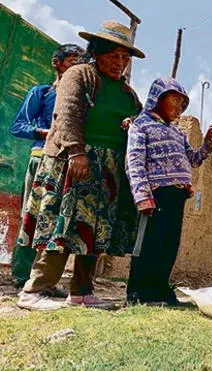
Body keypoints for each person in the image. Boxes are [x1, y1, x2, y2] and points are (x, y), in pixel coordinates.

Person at [16, 21, 145, 311]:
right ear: (96, 53)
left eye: (125, 58)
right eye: (114, 55)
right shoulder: (79, 75)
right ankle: (35, 289)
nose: (120, 63)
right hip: (74, 163)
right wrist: (76, 152)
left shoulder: (127, 93)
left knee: (96, 230)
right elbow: (68, 113)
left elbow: (138, 122)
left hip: (108, 170)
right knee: (64, 225)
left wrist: (132, 125)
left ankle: (82, 292)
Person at [125, 77, 212, 305]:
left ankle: (159, 291)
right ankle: (138, 294)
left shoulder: (177, 133)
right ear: (157, 98)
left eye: (183, 104)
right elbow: (134, 161)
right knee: (149, 244)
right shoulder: (141, 125)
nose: (179, 108)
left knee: (169, 246)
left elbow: (193, 160)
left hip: (177, 197)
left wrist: (207, 146)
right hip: (155, 195)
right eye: (175, 100)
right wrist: (142, 196)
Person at [10, 44, 84, 289]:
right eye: (72, 62)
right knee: (31, 215)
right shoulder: (41, 93)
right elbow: (18, 126)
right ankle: (22, 275)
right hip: (41, 157)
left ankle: (43, 279)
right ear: (56, 63)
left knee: (56, 220)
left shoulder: (83, 98)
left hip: (68, 161)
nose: (78, 68)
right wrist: (46, 132)